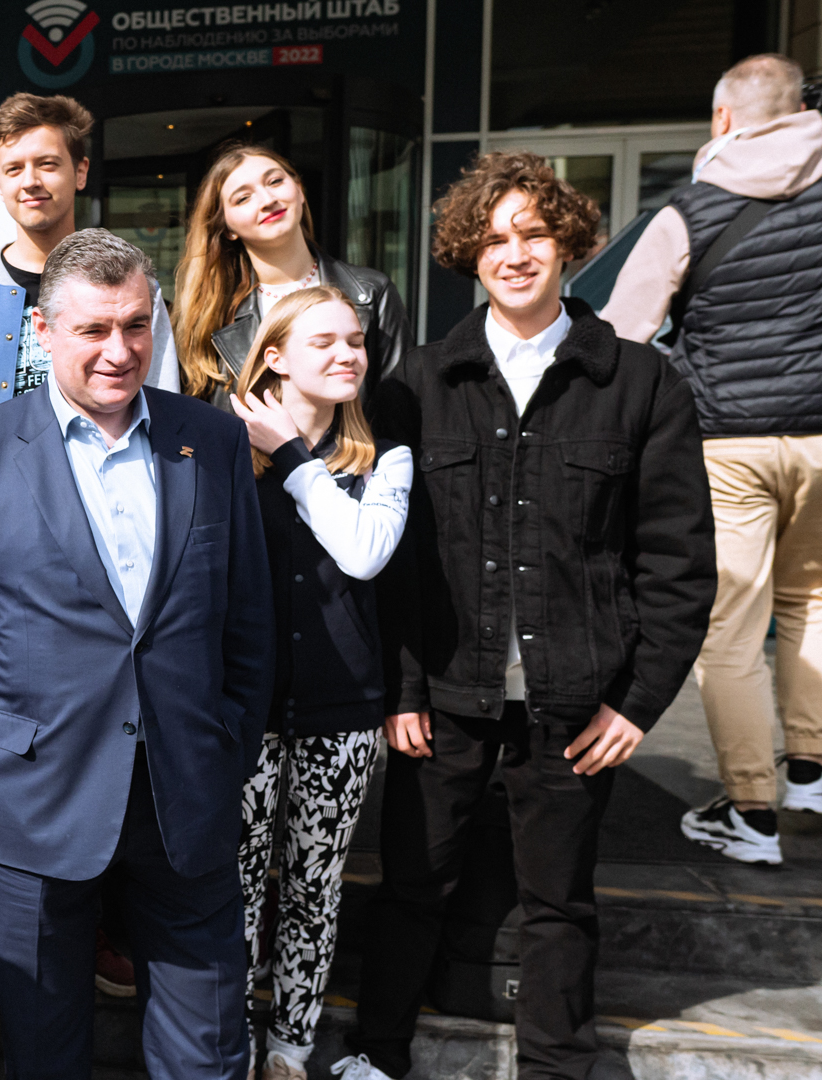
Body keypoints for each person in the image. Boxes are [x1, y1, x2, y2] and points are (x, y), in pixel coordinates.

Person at [338, 153, 716, 1080]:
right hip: (444, 697)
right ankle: (376, 1055)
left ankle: (555, 1068)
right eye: (495, 238)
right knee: (413, 884)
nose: (515, 254)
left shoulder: (639, 383)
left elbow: (677, 562)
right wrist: (400, 688)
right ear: (469, 253)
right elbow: (394, 561)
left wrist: (638, 701)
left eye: (534, 234)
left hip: (577, 702)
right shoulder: (418, 384)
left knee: (560, 904)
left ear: (568, 243)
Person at [0, 229, 274, 1079]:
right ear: (43, 331)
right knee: (46, 1052)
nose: (120, 351)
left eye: (136, 326)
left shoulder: (213, 441)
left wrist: (228, 746)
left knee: (209, 1053)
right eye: (94, 330)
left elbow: (248, 621)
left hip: (185, 794)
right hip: (30, 800)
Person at [601, 52, 822, 865]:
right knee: (813, 602)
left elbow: (624, 337)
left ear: (724, 119)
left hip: (728, 440)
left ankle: (752, 812)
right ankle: (812, 772)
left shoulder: (688, 211)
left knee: (729, 626)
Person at [225, 286, 411, 1080]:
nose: (347, 355)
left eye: (356, 341)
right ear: (273, 357)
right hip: (245, 707)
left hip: (342, 708)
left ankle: (291, 1048)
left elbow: (362, 552)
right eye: (325, 341)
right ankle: (229, 1041)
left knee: (314, 885)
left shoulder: (385, 457)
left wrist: (297, 458)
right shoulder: (224, 450)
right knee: (234, 885)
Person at [0, 92, 184, 486]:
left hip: (113, 492)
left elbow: (162, 402)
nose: (30, 181)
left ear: (81, 172)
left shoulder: (132, 285)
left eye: (47, 164)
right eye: (14, 168)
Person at [173, 145, 410, 409]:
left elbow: (396, 408)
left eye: (275, 181)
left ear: (299, 190)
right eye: (243, 198)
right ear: (227, 228)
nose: (267, 200)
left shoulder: (371, 292)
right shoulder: (210, 315)